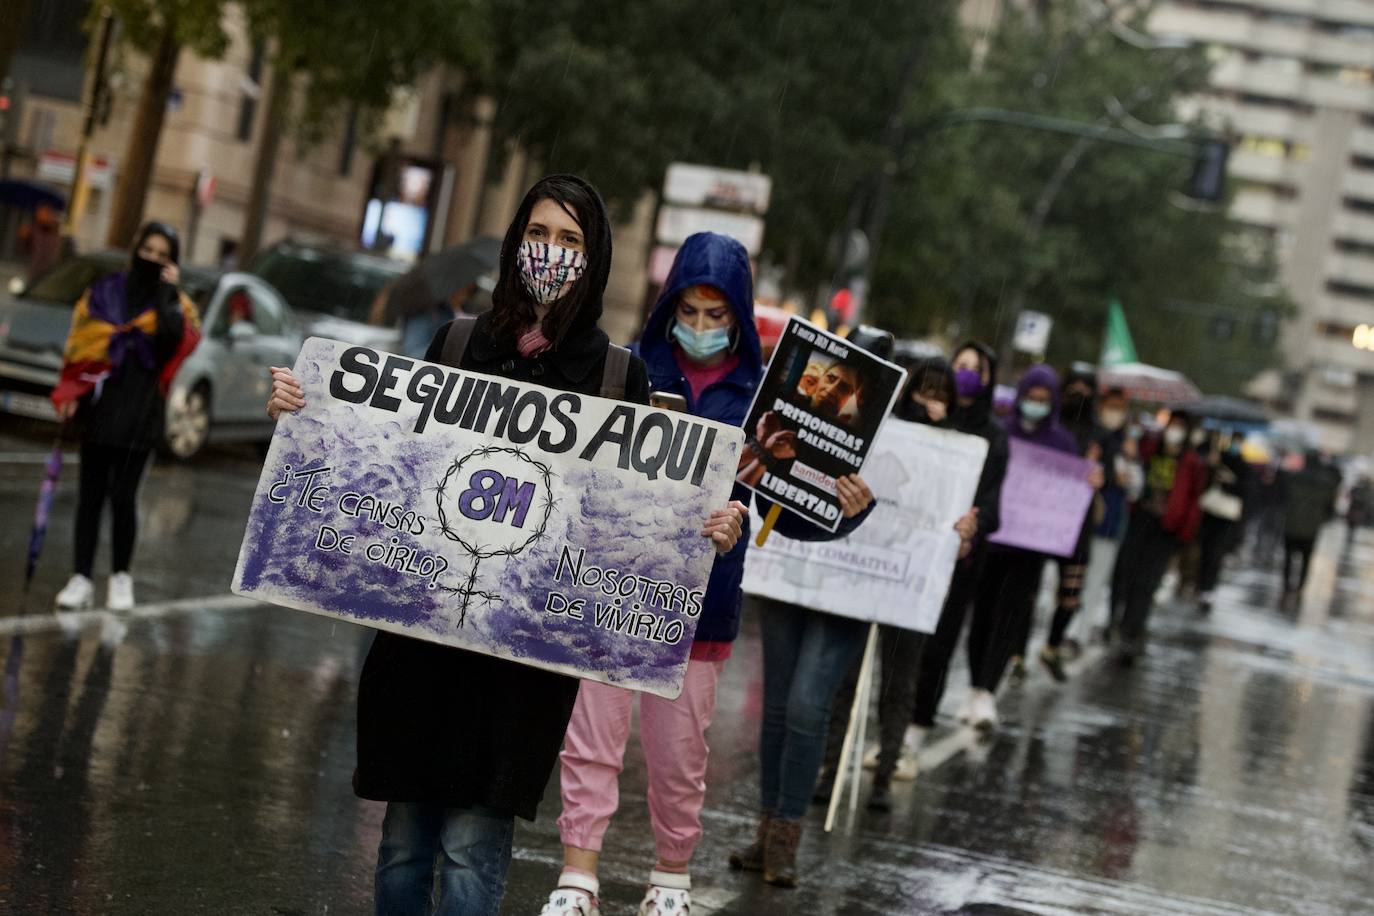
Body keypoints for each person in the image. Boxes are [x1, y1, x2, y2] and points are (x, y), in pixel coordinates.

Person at [266, 177, 746, 916]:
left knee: (469, 850)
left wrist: (709, 527)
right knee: (402, 843)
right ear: (516, 240)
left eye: (572, 241)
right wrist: (306, 411)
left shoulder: (621, 377)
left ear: (597, 259)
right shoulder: (459, 342)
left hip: (519, 664)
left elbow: (637, 524)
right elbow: (386, 457)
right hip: (421, 640)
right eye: (540, 233)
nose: (551, 253)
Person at [543, 233, 775, 916]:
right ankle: (577, 872)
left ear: (738, 315)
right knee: (590, 740)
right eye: (691, 311)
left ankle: (671, 874)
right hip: (612, 589)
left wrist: (741, 515)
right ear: (670, 304)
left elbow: (775, 504)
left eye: (717, 315)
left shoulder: (760, 398)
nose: (701, 328)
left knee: (679, 754)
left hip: (703, 606)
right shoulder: (627, 370)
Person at [725, 328, 884, 889]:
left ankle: (788, 832)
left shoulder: (895, 437)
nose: (835, 384)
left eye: (851, 382)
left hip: (848, 589)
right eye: (833, 373)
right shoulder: (778, 415)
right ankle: (767, 832)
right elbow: (754, 483)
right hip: (791, 572)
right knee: (776, 709)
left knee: (807, 707)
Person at [817, 356, 978, 812]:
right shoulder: (881, 435)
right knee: (846, 677)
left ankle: (885, 771)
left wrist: (966, 531)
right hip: (864, 567)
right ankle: (830, 768)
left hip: (911, 575)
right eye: (923, 393)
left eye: (941, 397)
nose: (931, 404)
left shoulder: (958, 452)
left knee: (899, 682)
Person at [51, 222, 201, 612]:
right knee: (90, 497)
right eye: (147, 250)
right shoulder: (106, 292)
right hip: (100, 408)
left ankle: (120, 577)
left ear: (172, 261)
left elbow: (172, 344)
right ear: (135, 249)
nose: (151, 258)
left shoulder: (174, 303)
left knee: (123, 498)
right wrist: (70, 392)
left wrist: (169, 291)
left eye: (161, 254)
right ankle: (80, 578)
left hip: (141, 413)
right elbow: (80, 344)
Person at [962, 364, 1089, 729]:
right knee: (982, 617)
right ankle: (974, 687)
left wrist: (1087, 480)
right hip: (991, 546)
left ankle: (987, 690)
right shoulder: (1001, 432)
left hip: (1029, 552)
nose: (1037, 405)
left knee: (1009, 619)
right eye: (1031, 398)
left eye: (1044, 400)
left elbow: (1068, 494)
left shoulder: (1063, 443)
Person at [907, 342, 1008, 753]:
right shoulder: (933, 415)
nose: (965, 373)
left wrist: (974, 524)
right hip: (911, 545)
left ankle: (917, 728)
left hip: (957, 559)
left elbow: (993, 507)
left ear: (988, 380)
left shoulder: (995, 437)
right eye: (959, 365)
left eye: (975, 368)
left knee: (938, 645)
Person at [1110, 410, 1206, 663]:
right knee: (1126, 574)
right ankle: (1122, 624)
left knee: (1147, 582)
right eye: (1172, 424)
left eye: (1180, 426)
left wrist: (1185, 532)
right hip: (1140, 520)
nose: (1175, 430)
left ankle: (1132, 631)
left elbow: (1194, 500)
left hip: (1166, 530)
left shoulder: (1192, 462)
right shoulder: (1149, 449)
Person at [1063, 388, 1141, 647]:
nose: (1115, 412)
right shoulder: (1090, 435)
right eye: (1111, 405)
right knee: (1073, 579)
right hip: (1078, 520)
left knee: (1096, 579)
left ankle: (1078, 633)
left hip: (1109, 523)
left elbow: (1135, 489)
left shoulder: (1126, 443)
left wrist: (1130, 462)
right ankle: (1066, 625)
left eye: (1121, 407)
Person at [1195, 435, 1248, 614]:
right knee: (1204, 552)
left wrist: (1230, 482)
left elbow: (1247, 492)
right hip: (1209, 514)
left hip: (1226, 519)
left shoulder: (1244, 466)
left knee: (1215, 555)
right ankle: (1200, 585)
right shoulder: (1217, 458)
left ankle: (1207, 590)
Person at [1279, 449, 1339, 604]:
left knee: (1288, 558)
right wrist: (1320, 520)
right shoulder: (1327, 482)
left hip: (1291, 524)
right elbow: (1330, 508)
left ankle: (1287, 586)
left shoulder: (1294, 478)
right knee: (1306, 559)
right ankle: (1299, 587)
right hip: (1312, 529)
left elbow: (1283, 499)